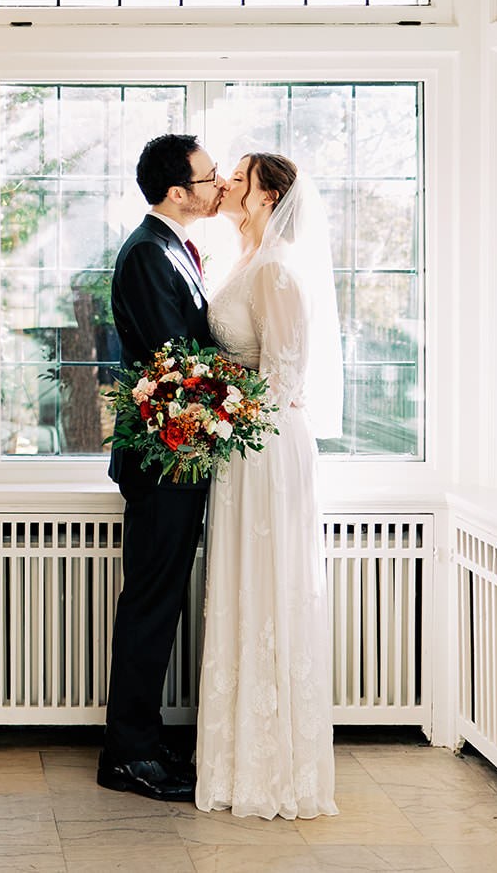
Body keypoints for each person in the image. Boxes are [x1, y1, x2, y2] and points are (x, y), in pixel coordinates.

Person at [193, 151, 342, 820]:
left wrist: (219, 410)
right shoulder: (245, 259)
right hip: (241, 447)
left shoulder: (277, 268)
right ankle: (237, 761)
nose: (226, 182)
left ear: (266, 195)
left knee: (270, 592)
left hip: (266, 449)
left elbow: (283, 377)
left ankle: (273, 769)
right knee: (241, 593)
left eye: (239, 175)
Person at [98, 133, 221, 802]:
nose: (219, 184)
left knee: (161, 599)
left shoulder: (174, 247)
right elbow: (175, 361)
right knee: (150, 602)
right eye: (209, 176)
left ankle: (144, 738)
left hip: (179, 455)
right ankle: (129, 754)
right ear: (178, 191)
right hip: (163, 460)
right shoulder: (148, 251)